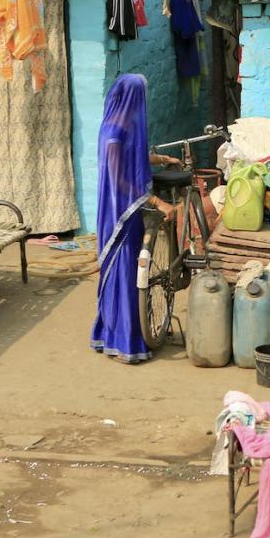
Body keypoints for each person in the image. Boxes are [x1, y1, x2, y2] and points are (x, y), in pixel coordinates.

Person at [89, 74, 178, 363]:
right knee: (123, 273)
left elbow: (135, 158)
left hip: (129, 213)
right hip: (119, 215)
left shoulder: (125, 125)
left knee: (128, 273)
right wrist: (158, 202)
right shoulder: (112, 135)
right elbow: (120, 181)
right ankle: (124, 340)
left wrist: (162, 160)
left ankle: (115, 334)